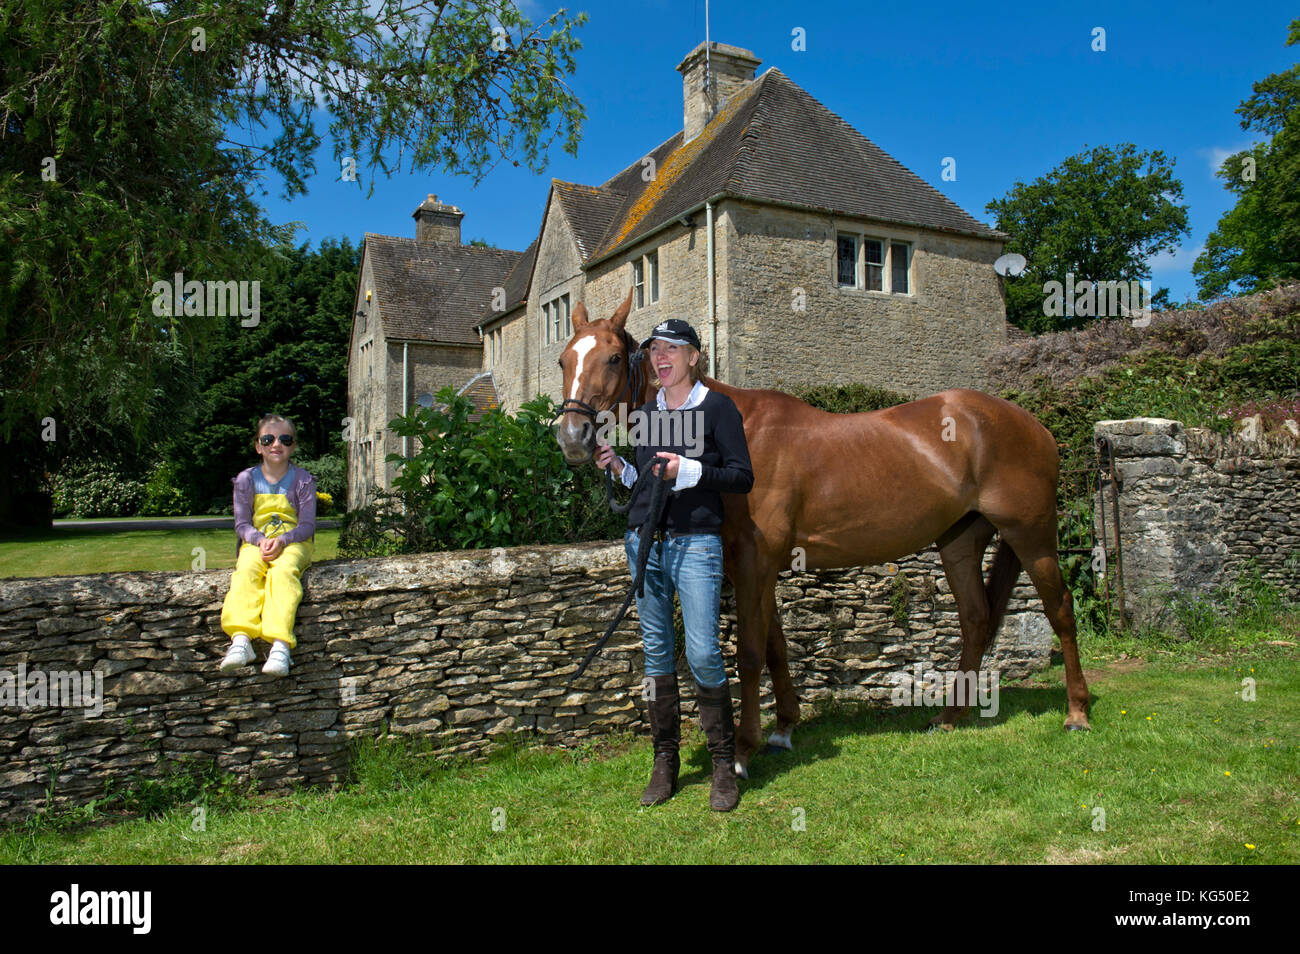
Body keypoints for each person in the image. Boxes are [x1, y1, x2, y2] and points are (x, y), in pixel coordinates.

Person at [594, 318, 753, 811]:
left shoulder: (717, 408)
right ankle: (665, 763)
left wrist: (691, 471)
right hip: (645, 542)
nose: (660, 358)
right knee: (658, 653)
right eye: (655, 351)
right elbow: (647, 479)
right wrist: (620, 468)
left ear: (693, 358)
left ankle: (724, 764)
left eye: (672, 349)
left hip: (696, 544)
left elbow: (741, 477)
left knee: (704, 653)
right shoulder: (645, 414)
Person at [219, 414, 317, 678]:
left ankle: (280, 646)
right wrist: (261, 540)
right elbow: (241, 524)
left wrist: (283, 540)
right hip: (256, 542)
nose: (277, 444)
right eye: (268, 439)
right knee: (247, 568)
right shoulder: (245, 480)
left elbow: (307, 525)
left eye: (285, 439)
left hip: (294, 542)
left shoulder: (304, 480)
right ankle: (241, 639)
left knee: (284, 572)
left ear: (293, 445)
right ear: (258, 446)